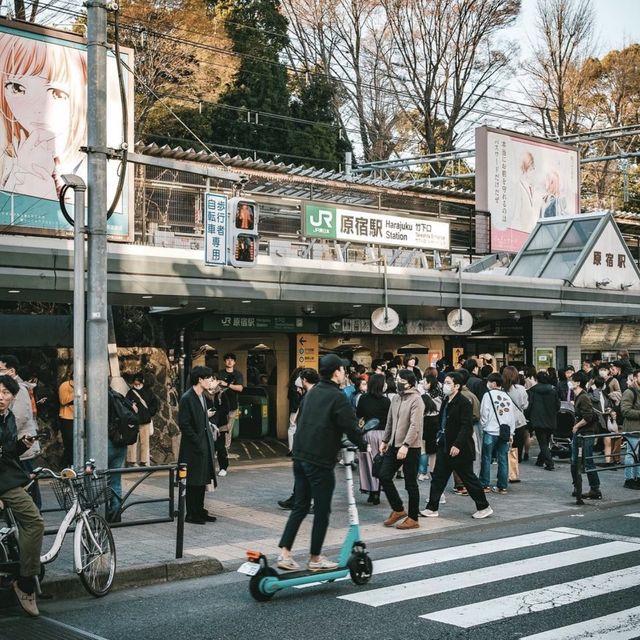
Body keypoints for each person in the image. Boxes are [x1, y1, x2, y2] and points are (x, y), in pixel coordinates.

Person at [277, 355, 366, 571]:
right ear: (336, 372)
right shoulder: (337, 397)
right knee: (322, 511)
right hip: (319, 460)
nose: (344, 373)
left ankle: (285, 555)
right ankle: (315, 558)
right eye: (343, 370)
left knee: (299, 506)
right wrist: (365, 445)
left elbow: (301, 421)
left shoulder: (312, 392)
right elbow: (351, 427)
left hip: (299, 457)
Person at [0, 33, 87, 201]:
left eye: (57, 93)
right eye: (17, 88)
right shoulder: (6, 156)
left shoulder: (93, 166)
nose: (37, 108)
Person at [420, 371, 492, 520]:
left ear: (457, 386)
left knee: (469, 479)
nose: (445, 386)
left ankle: (484, 506)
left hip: (460, 449)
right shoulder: (446, 401)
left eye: (448, 383)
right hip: (445, 446)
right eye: (445, 382)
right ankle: (432, 507)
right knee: (438, 477)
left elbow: (466, 426)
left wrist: (458, 444)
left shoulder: (464, 402)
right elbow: (443, 422)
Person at [0, 374, 44, 617]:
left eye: (6, 393)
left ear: (13, 397)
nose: (1, 396)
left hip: (9, 476)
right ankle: (26, 583)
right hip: (4, 482)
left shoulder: (8, 418)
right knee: (35, 522)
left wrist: (21, 446)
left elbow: (7, 454)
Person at [378, 369, 425, 531]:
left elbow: (415, 425)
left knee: (410, 483)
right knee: (383, 475)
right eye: (397, 379)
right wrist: (385, 440)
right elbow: (390, 421)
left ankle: (413, 518)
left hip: (411, 447)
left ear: (410, 383)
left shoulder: (416, 399)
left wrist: (406, 445)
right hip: (393, 445)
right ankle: (398, 509)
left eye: (402, 380)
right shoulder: (396, 398)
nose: (398, 382)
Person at [178, 366, 217, 524]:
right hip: (193, 447)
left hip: (203, 443)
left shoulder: (202, 396)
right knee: (193, 480)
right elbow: (184, 424)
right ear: (200, 379)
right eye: (208, 378)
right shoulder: (187, 397)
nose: (210, 381)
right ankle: (191, 513)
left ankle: (200, 510)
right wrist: (196, 440)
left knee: (202, 479)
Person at [0, 356, 40, 508]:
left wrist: (5, 432)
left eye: (0, 370)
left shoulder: (19, 389)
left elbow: (21, 416)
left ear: (11, 370)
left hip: (19, 446)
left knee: (28, 485)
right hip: (13, 448)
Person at [277, 368, 319, 511]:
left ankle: (311, 502)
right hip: (307, 442)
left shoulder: (312, 396)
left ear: (304, 381)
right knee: (302, 473)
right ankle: (296, 499)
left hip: (311, 443)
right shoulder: (311, 394)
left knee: (311, 474)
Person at [356, 373, 390, 505]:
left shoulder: (363, 398)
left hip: (368, 434)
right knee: (380, 463)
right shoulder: (386, 401)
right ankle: (377, 491)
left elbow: (359, 414)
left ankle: (371, 491)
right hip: (383, 435)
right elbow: (390, 419)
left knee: (367, 464)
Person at [479, 372, 516, 495]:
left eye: (489, 382)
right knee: (503, 458)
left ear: (493, 383)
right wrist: (511, 433)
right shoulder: (507, 396)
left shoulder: (487, 395)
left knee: (486, 458)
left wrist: (483, 425)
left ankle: (485, 484)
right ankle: (502, 486)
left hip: (490, 430)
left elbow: (484, 413)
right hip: (504, 432)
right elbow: (512, 416)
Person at [570, 371, 601, 500]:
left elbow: (588, 416)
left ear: (578, 383)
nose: (570, 383)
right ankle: (577, 486)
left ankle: (595, 488)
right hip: (581, 433)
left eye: (572, 380)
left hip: (586, 433)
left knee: (587, 460)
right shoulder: (578, 395)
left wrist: (577, 426)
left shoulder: (583, 397)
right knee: (575, 461)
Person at [528, 371, 561, 470]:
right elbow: (557, 405)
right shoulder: (553, 390)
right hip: (551, 419)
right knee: (545, 441)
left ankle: (549, 463)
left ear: (537, 379)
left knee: (542, 442)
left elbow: (529, 406)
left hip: (537, 419)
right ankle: (540, 460)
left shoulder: (532, 390)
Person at [217, 353, 244, 470]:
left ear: (234, 362)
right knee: (220, 427)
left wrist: (227, 384)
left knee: (228, 428)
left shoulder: (238, 374)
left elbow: (241, 388)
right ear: (224, 361)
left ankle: (225, 450)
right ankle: (220, 449)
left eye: (231, 360)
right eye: (227, 359)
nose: (229, 361)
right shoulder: (220, 373)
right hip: (220, 406)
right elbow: (216, 386)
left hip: (232, 406)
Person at [126, 372, 158, 467]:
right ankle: (132, 461)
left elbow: (154, 404)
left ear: (141, 381)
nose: (136, 384)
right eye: (135, 383)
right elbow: (126, 404)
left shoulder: (145, 392)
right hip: (137, 420)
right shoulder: (131, 393)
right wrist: (132, 406)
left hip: (143, 420)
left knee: (143, 441)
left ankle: (142, 461)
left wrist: (149, 413)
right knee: (134, 441)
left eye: (138, 382)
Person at [502, 365, 529, 464]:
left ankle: (505, 466)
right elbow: (525, 405)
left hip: (504, 420)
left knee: (504, 446)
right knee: (517, 446)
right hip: (519, 420)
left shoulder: (500, 390)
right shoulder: (521, 389)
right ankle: (514, 467)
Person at [206, 372, 231, 477]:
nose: (211, 383)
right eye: (209, 380)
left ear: (217, 381)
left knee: (220, 447)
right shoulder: (203, 393)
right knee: (209, 448)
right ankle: (209, 468)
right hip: (208, 424)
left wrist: (216, 413)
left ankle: (223, 467)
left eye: (212, 380)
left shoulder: (221, 393)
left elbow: (226, 408)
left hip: (220, 425)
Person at [621, 369, 640, 490]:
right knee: (631, 454)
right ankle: (629, 479)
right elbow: (625, 411)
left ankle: (638, 477)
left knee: (638, 455)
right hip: (633, 428)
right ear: (635, 378)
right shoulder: (629, 392)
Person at [57, 373, 74, 467]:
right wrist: (77, 391)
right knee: (69, 442)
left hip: (82, 417)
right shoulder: (65, 385)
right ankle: (66, 465)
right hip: (67, 417)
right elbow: (63, 400)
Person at [286, 367, 304, 455]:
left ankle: (291, 449)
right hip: (299, 407)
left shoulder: (291, 384)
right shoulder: (300, 382)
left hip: (294, 408)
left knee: (292, 427)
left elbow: (288, 397)